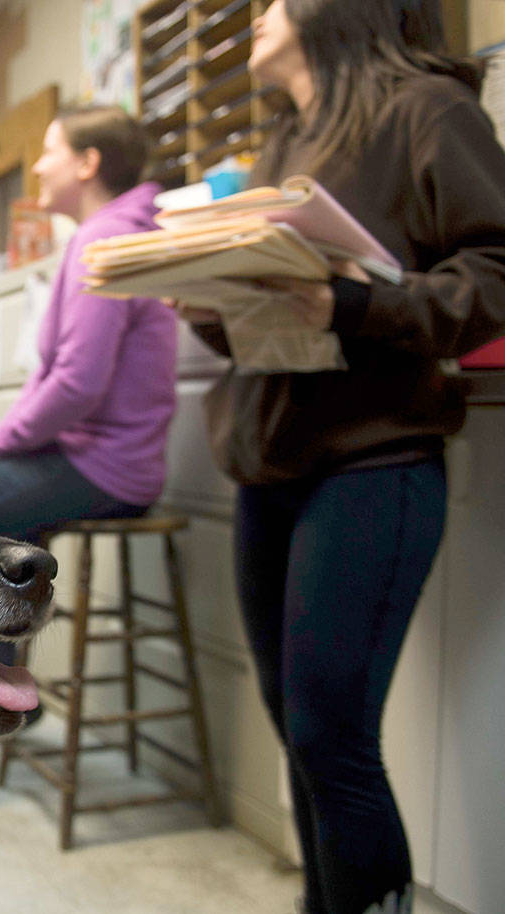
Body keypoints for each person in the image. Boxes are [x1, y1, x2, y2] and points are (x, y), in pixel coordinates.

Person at [179, 3, 505, 912]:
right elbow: (275, 313)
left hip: (374, 459)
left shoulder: (427, 109)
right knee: (301, 735)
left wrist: (357, 308)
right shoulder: (286, 139)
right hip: (272, 462)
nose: (255, 14)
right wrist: (199, 290)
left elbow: (496, 272)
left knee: (332, 740)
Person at [0, 104, 177, 791]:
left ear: (88, 163)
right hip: (88, 457)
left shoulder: (109, 241)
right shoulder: (101, 237)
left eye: (48, 151)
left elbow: (78, 383)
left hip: (108, 466)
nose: (37, 166)